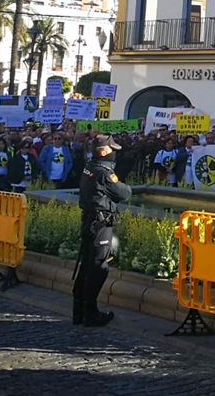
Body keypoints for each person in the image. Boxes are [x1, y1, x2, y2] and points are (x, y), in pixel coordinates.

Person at [74, 135, 131, 327]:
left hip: (90, 222)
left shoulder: (89, 167)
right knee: (98, 268)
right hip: (100, 225)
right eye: (112, 150)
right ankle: (90, 313)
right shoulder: (104, 173)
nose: (115, 153)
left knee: (86, 266)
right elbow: (124, 193)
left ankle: (79, 311)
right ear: (104, 152)